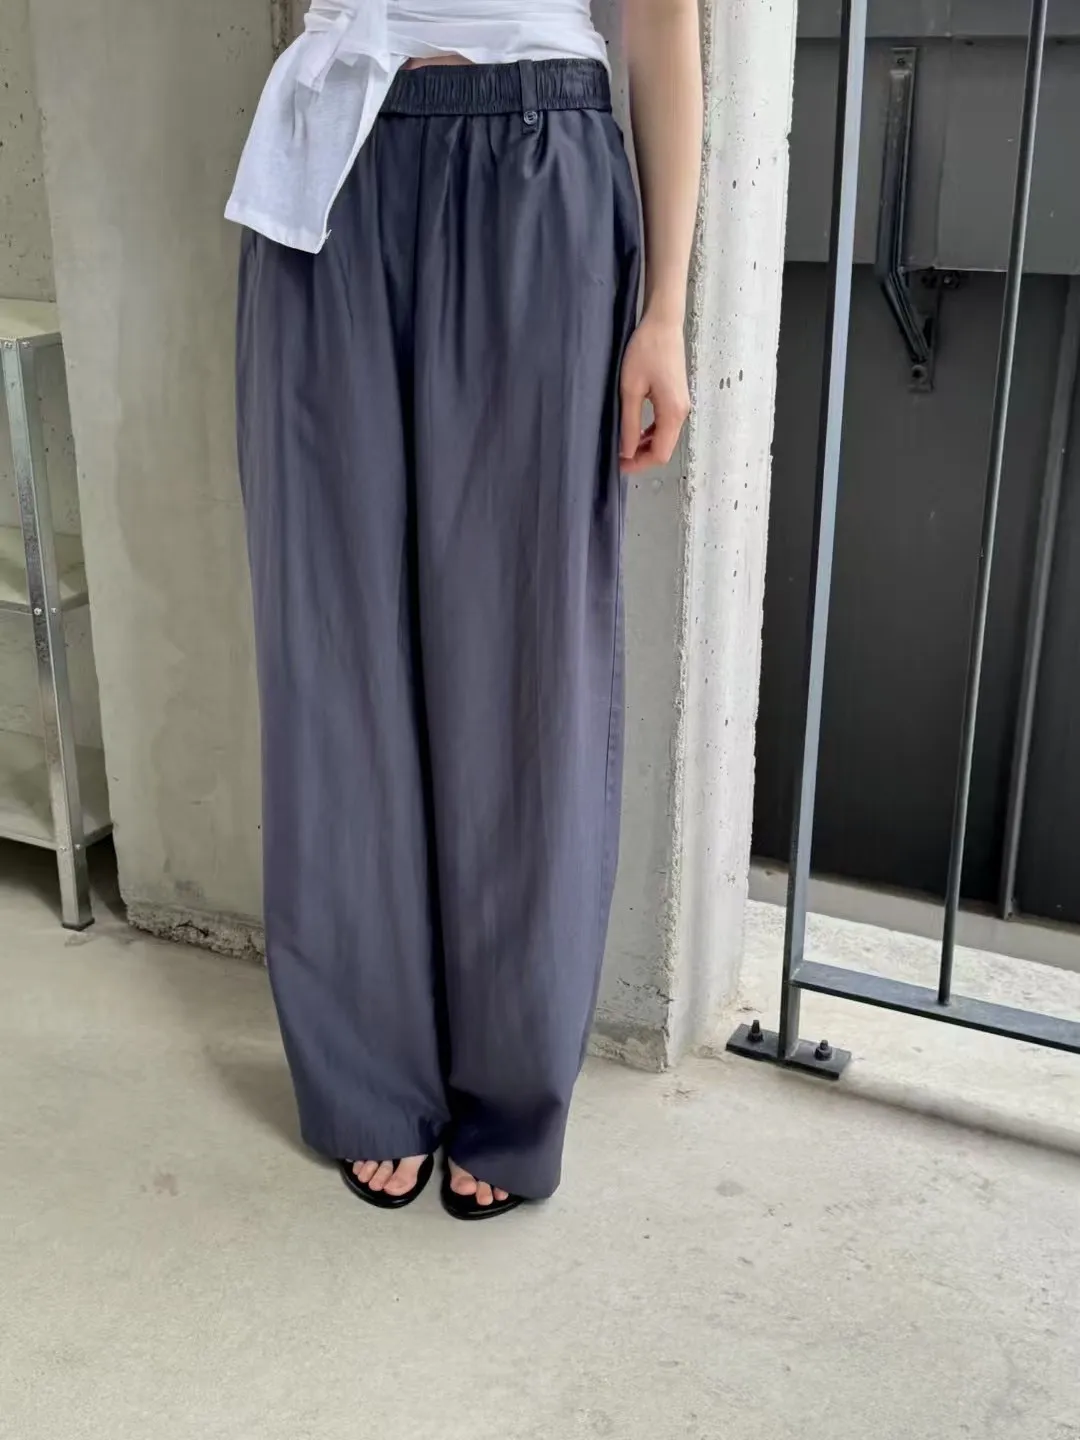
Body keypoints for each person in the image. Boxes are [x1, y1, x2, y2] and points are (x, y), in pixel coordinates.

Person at [227, 0, 702, 1219]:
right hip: (331, 164)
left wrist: (664, 312)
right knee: (331, 647)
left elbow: (662, 22)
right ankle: (368, 1072)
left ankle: (511, 1086)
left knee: (523, 660)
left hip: (536, 162)